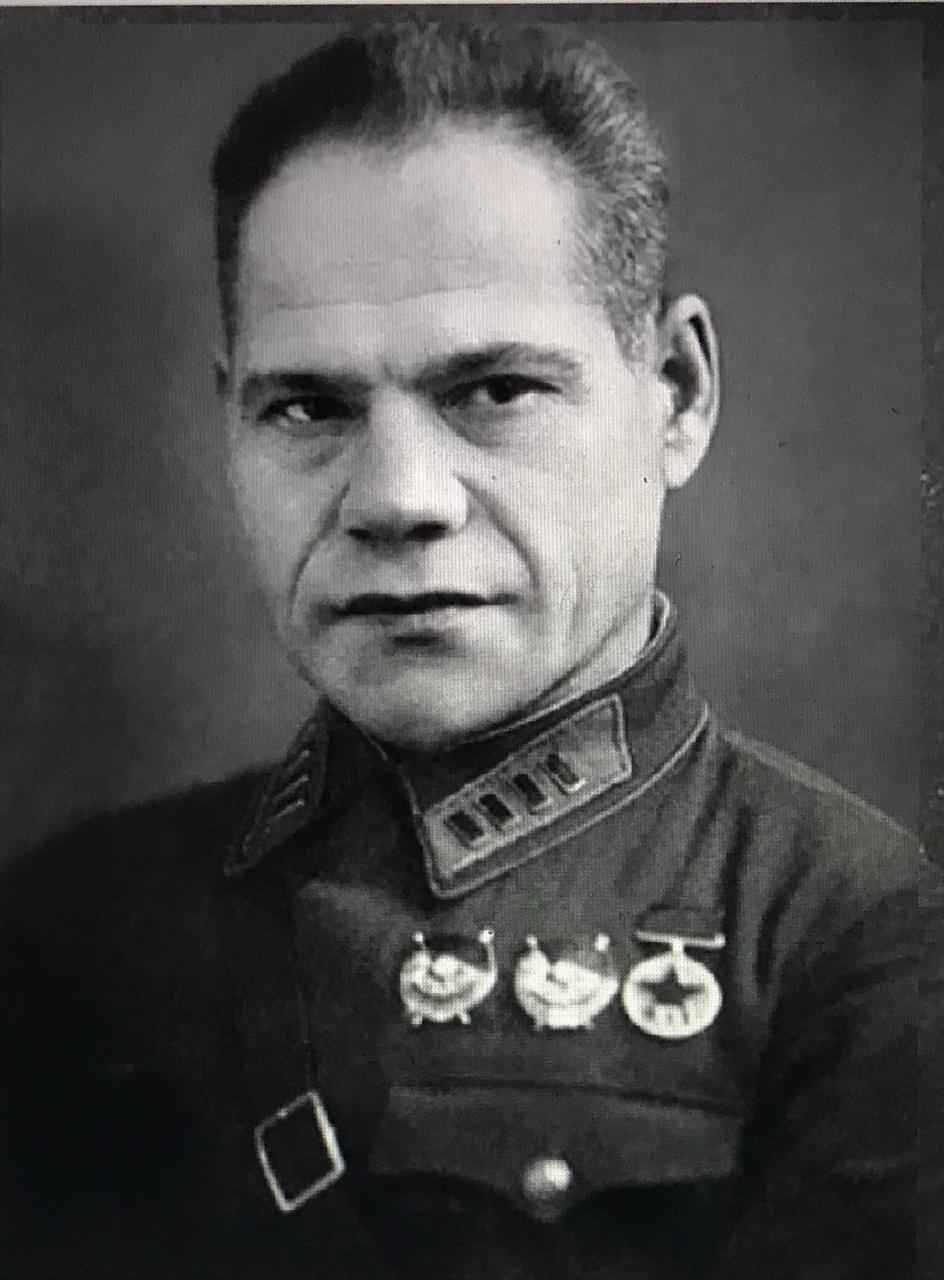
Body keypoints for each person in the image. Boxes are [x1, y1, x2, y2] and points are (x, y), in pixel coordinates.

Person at [0, 19, 937, 1280]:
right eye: (308, 406)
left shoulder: (852, 942)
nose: (396, 497)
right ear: (229, 419)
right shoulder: (71, 918)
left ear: (674, 391)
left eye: (493, 390)